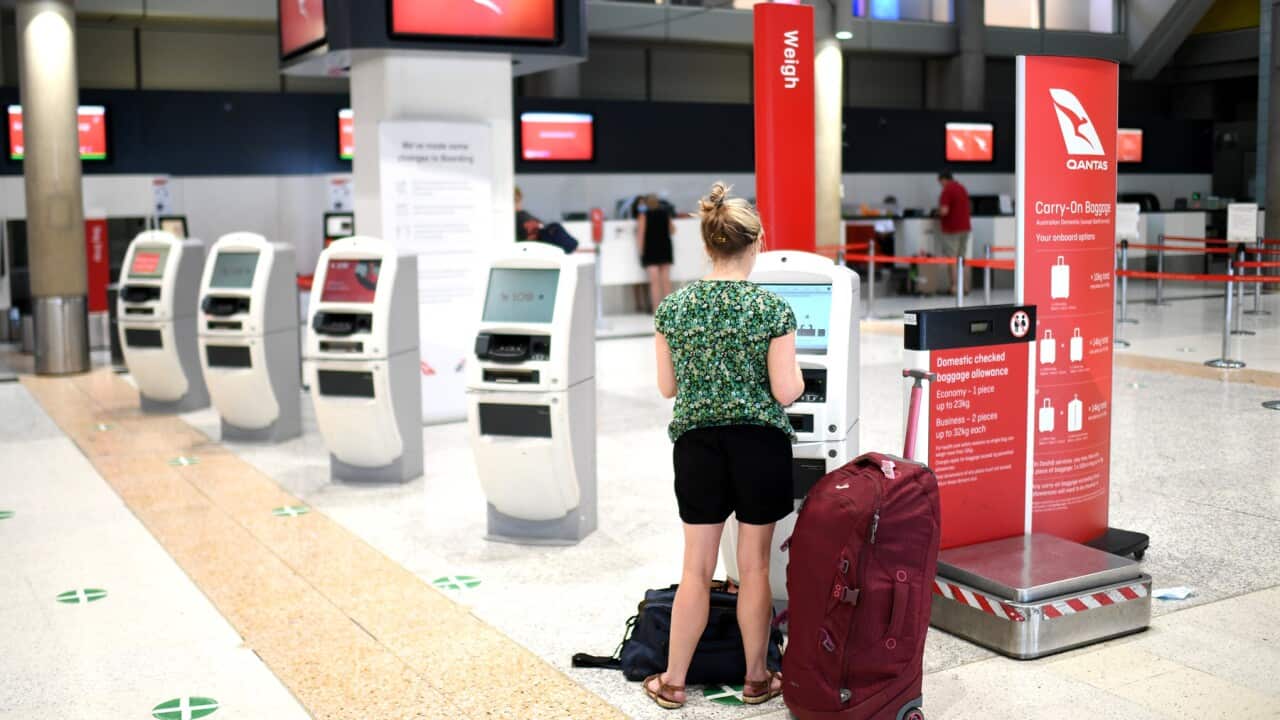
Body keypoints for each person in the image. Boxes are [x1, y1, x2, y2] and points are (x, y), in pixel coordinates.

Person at [643, 182, 804, 710]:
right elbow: (786, 390)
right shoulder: (771, 310)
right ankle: (758, 678)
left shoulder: (674, 307)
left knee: (696, 567)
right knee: (753, 566)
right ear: (755, 244)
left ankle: (672, 681)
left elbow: (668, 388)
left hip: (697, 444)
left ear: (709, 246)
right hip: (760, 445)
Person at [636, 193, 675, 311]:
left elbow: (641, 235)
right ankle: (669, 308)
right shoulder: (665, 213)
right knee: (666, 280)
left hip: (650, 250)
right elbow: (673, 230)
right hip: (665, 248)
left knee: (655, 282)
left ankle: (657, 309)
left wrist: (641, 252)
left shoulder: (643, 216)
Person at [937, 171, 972, 293]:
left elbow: (944, 211)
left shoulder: (947, 190)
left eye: (940, 182)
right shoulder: (962, 188)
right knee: (962, 258)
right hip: (965, 228)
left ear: (943, 179)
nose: (940, 185)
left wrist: (936, 212)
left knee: (952, 259)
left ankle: (955, 287)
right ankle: (966, 287)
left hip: (952, 229)